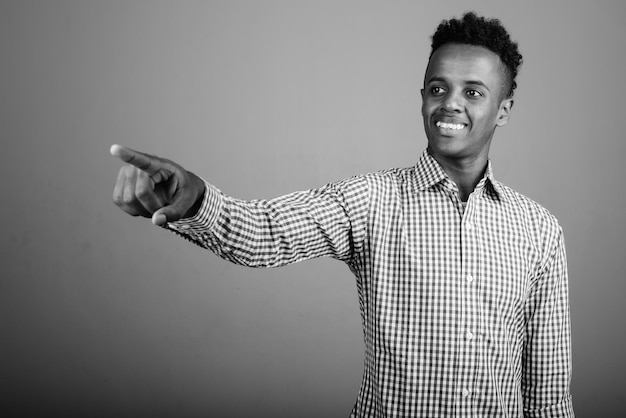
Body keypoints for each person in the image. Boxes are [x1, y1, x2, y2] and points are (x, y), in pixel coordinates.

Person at [111, 12, 574, 417]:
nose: (450, 102)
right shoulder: (372, 200)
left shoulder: (538, 230)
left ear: (504, 110)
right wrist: (193, 197)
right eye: (439, 88)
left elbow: (549, 394)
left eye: (473, 92)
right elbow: (265, 233)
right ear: (422, 97)